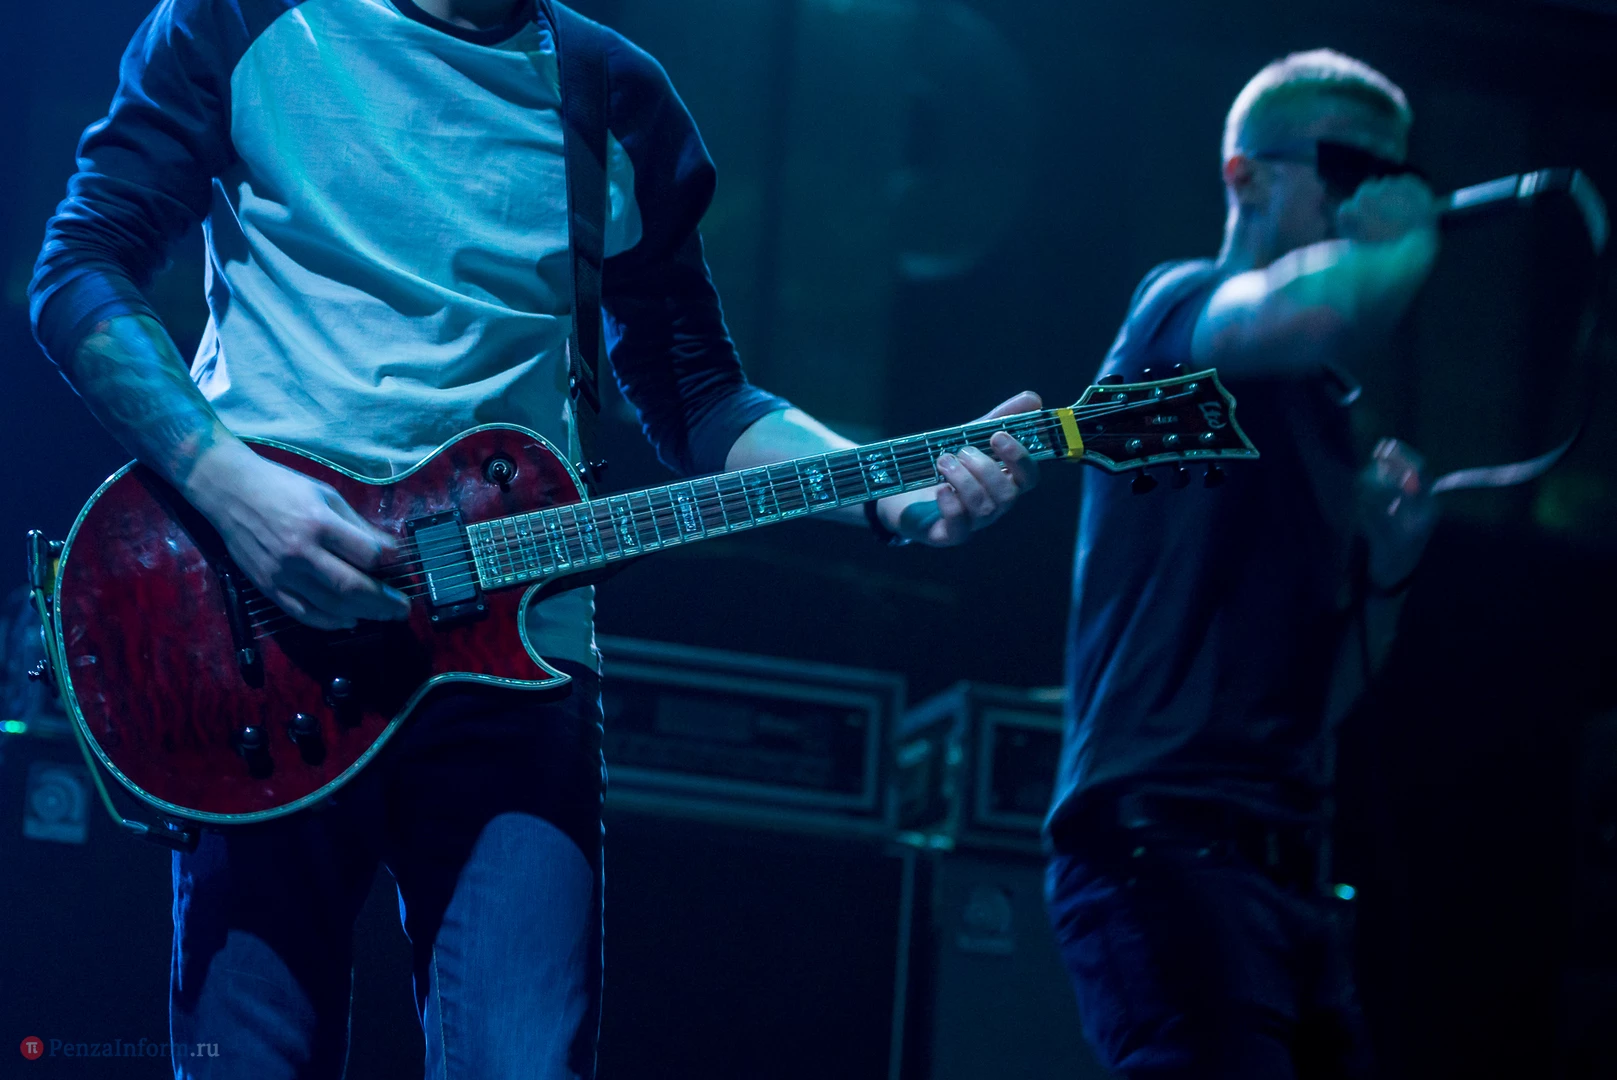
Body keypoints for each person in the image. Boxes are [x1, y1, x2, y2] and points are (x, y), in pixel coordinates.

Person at [28, 0, 1040, 1075]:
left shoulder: (615, 92)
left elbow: (698, 394)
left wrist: (890, 490)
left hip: (516, 657)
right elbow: (80, 266)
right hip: (262, 636)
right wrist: (231, 487)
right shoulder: (244, 18)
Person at [1043, 49, 1441, 1079]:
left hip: (1287, 873)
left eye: (1394, 175)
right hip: (1162, 852)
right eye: (1348, 171)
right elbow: (1311, 310)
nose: (1373, 197)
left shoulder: (1323, 415)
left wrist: (1390, 573)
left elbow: (1317, 699)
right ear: (1245, 176)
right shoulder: (1180, 310)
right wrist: (1404, 242)